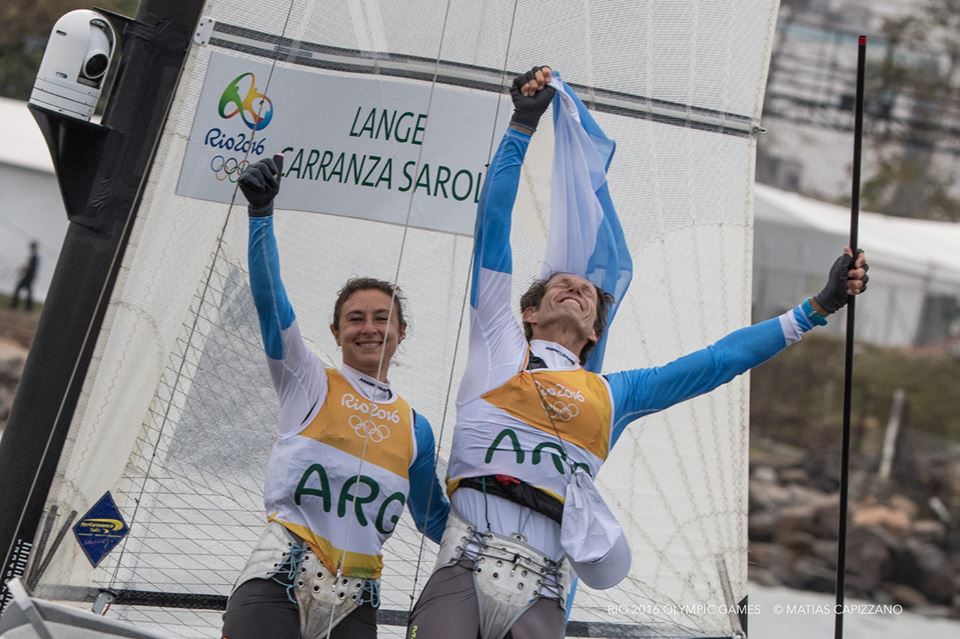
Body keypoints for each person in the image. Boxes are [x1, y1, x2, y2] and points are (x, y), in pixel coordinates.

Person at [406, 67, 869, 639]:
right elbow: (493, 229)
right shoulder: (497, 342)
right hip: (462, 567)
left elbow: (717, 361)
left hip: (543, 590)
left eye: (587, 292)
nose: (576, 287)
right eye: (560, 285)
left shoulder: (614, 394)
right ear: (528, 312)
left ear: (595, 332)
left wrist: (818, 306)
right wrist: (522, 126)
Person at [221, 156, 450, 639]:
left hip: (356, 603)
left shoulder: (416, 429)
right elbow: (271, 303)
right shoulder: (308, 381)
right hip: (277, 582)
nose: (369, 328)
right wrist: (261, 214)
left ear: (401, 332)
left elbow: (435, 520)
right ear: (336, 331)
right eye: (355, 319)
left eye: (382, 318)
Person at [9, 241, 39, 311]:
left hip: (29, 277)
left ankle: (15, 305)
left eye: (32, 247)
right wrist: (22, 269)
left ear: (34, 247)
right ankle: (28, 307)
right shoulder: (33, 256)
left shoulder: (34, 257)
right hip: (29, 277)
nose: (31, 248)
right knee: (28, 291)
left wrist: (21, 269)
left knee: (19, 288)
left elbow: (30, 267)